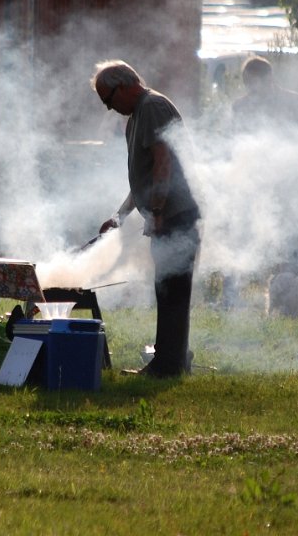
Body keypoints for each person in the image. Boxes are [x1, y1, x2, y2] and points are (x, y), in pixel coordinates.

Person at [92, 60, 201, 377]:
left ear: (123, 87)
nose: (110, 108)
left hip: (175, 216)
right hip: (167, 214)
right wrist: (119, 217)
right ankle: (173, 358)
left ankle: (169, 364)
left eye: (108, 99)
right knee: (167, 288)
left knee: (172, 289)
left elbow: (162, 163)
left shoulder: (152, 106)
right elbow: (140, 178)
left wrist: (156, 212)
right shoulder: (137, 116)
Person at [232, 56, 298, 131]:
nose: (248, 87)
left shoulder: (294, 101)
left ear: (268, 79)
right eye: (245, 82)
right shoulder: (240, 106)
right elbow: (234, 137)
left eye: (252, 82)